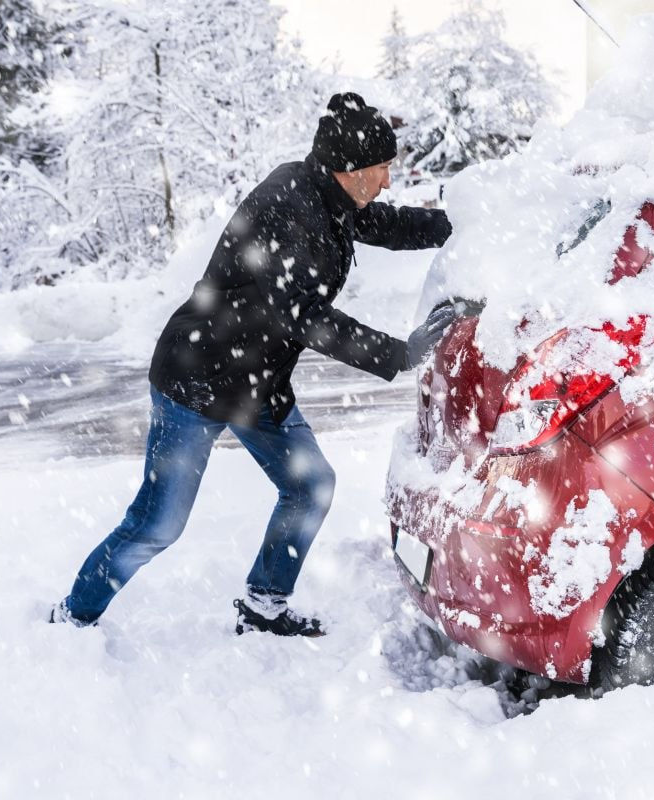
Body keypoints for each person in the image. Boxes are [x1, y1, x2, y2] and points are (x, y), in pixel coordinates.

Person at [51, 92, 457, 637]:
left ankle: (264, 604)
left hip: (255, 381)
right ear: (350, 169)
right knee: (158, 523)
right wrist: (399, 353)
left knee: (310, 487)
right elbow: (307, 318)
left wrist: (455, 226)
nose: (387, 181)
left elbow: (382, 223)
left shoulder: (327, 195)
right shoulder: (290, 208)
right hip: (197, 378)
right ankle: (73, 617)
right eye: (382, 169)